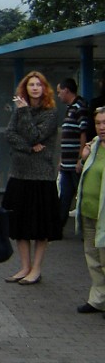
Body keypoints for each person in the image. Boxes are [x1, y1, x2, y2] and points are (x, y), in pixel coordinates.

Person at [2, 71, 60, 285]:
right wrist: (28, 148)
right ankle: (24, 266)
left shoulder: (50, 112)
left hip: (41, 176)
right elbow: (9, 134)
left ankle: (36, 269)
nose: (35, 88)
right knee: (19, 225)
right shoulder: (18, 111)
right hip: (19, 173)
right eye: (31, 84)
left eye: (38, 84)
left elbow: (37, 134)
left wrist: (25, 112)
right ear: (25, 89)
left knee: (40, 226)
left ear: (44, 88)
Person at [73, 106, 105, 316]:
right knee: (92, 258)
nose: (102, 127)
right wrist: (83, 158)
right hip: (89, 212)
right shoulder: (93, 146)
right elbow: (80, 171)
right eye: (98, 123)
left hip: (104, 216)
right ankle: (97, 299)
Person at [56, 78, 89, 235]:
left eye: (59, 91)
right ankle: (58, 228)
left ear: (66, 90)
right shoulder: (70, 108)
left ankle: (86, 230)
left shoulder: (80, 107)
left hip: (75, 163)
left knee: (81, 195)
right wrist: (62, 158)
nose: (58, 95)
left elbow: (84, 132)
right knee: (65, 195)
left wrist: (80, 158)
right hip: (66, 163)